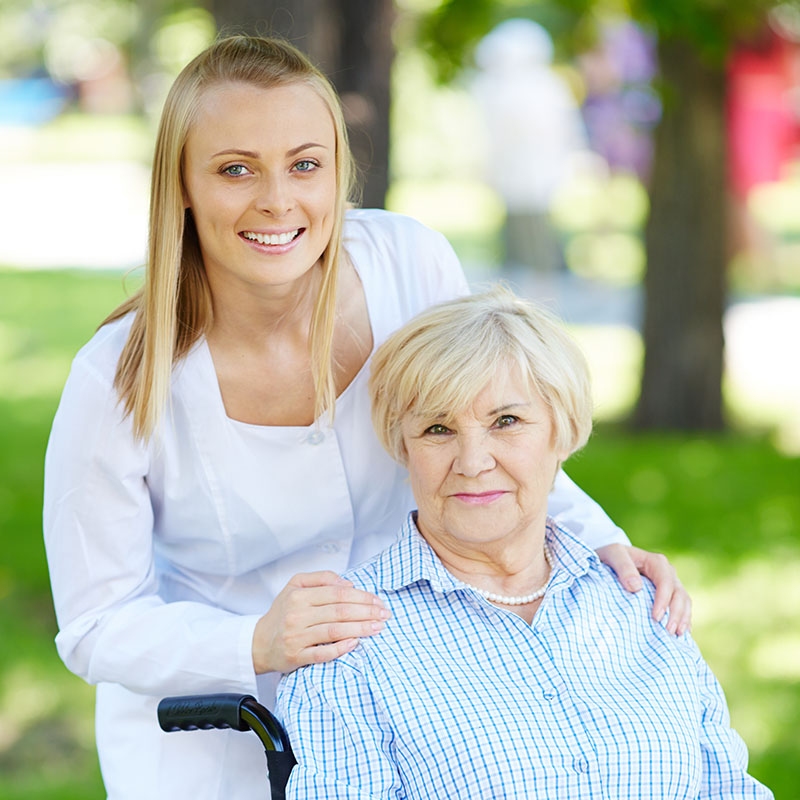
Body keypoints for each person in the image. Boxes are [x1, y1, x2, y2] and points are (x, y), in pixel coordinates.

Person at [43, 36, 689, 799]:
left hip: (417, 704)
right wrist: (252, 640)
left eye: (306, 164)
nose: (278, 200)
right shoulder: (119, 377)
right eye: (235, 169)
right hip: (212, 738)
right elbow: (96, 624)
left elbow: (488, 438)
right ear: (180, 184)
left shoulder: (407, 266)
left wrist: (605, 545)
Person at [277, 286, 772, 800]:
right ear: (403, 447)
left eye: (505, 422)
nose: (472, 462)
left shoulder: (641, 606)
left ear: (563, 431)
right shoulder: (347, 643)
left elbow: (727, 787)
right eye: (438, 428)